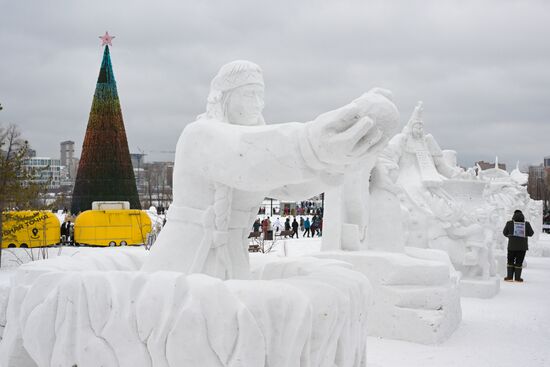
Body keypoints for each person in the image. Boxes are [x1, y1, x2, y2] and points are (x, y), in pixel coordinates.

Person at [141, 60, 400, 279]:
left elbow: (290, 185)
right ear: (225, 98)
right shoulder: (200, 135)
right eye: (248, 94)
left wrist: (341, 164)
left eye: (260, 95)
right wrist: (315, 142)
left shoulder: (258, 152)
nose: (257, 103)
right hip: (186, 261)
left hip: (232, 260)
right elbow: (247, 159)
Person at [502, 210, 534, 282]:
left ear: (513, 216)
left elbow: (504, 233)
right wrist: (525, 234)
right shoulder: (526, 224)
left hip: (511, 246)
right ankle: (517, 278)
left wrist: (510, 236)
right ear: (523, 216)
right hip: (522, 247)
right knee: (519, 261)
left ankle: (509, 277)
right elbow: (531, 233)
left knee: (510, 261)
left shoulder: (509, 223)